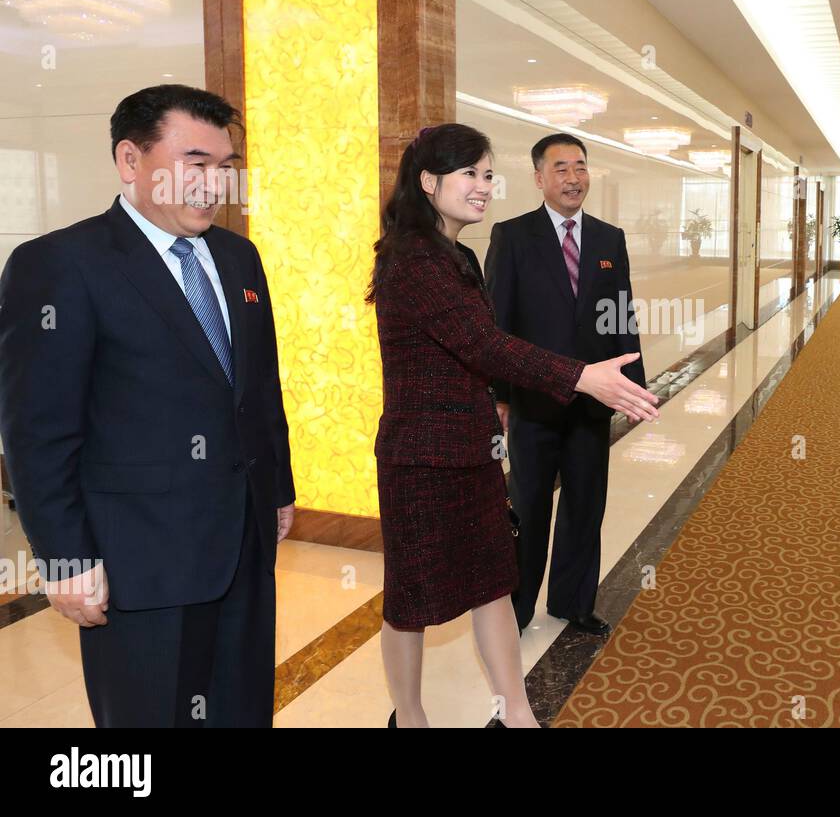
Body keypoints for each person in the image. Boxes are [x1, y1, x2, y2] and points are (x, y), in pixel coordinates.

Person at [0, 84, 296, 727]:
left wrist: (278, 488)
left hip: (243, 545)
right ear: (130, 161)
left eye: (226, 167)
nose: (215, 185)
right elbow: (37, 432)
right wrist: (65, 558)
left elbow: (259, 388)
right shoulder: (59, 265)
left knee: (241, 711)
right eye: (196, 163)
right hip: (140, 564)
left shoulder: (238, 256)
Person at [367, 123, 658, 728]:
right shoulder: (412, 261)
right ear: (428, 181)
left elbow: (488, 345)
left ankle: (517, 713)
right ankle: (411, 718)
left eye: (485, 174)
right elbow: (486, 345)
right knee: (410, 603)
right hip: (421, 459)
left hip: (473, 453)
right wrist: (582, 376)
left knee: (494, 582)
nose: (481, 187)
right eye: (468, 174)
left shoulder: (458, 254)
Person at [485, 134, 647, 635]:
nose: (573, 178)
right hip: (533, 402)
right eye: (560, 169)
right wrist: (501, 396)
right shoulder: (512, 236)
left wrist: (631, 388)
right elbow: (497, 324)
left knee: (585, 504)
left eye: (580, 167)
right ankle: (517, 607)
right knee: (529, 506)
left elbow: (620, 313)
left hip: (591, 403)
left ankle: (573, 603)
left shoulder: (607, 238)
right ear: (538, 178)